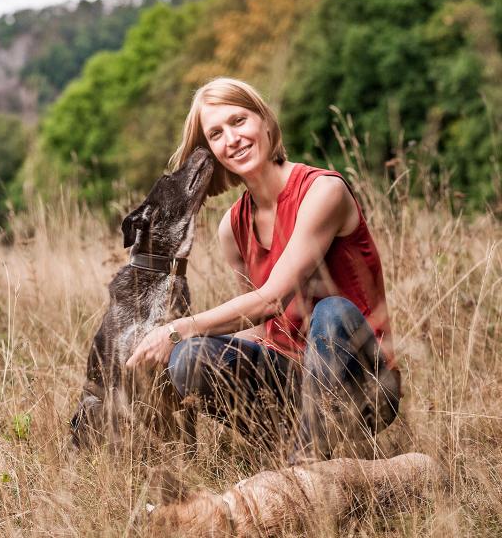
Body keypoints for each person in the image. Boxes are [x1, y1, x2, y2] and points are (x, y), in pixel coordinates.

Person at [124, 77, 401, 463]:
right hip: (290, 384)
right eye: (216, 134)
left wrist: (176, 329)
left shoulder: (324, 191)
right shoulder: (232, 228)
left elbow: (270, 300)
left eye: (239, 121)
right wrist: (185, 355)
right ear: (210, 153)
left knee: (331, 311)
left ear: (266, 123)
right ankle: (292, 445)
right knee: (189, 356)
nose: (232, 139)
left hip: (362, 384)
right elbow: (263, 327)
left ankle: (305, 462)